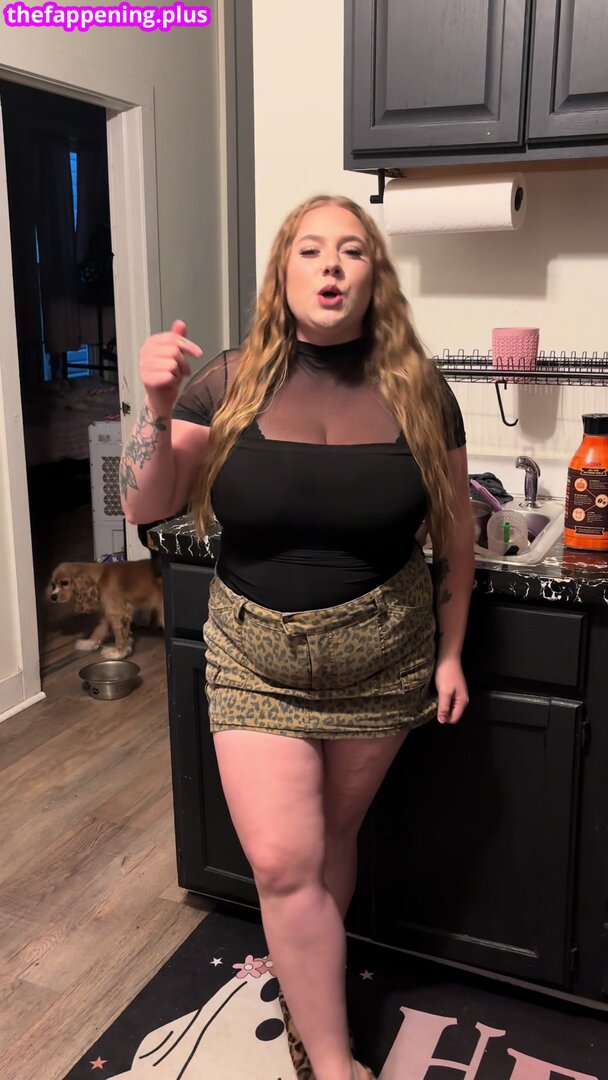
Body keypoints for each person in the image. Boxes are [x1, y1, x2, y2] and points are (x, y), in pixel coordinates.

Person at [120, 194, 475, 1080]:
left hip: (384, 657)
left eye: (351, 251)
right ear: (283, 272)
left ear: (374, 276)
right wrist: (154, 406)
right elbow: (144, 504)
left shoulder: (421, 390)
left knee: (330, 842)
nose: (331, 266)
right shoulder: (225, 382)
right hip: (254, 657)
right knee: (284, 861)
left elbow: (457, 537)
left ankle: (306, 986)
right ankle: (334, 1059)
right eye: (310, 250)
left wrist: (451, 651)